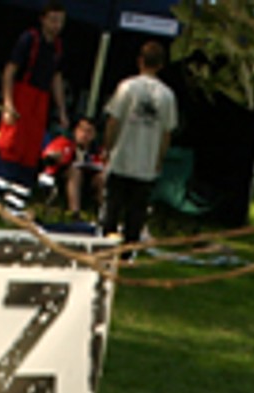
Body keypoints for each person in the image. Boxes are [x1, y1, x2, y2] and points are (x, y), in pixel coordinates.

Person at [0, 0, 67, 215]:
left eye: (60, 21)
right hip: (22, 95)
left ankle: (15, 205)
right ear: (43, 19)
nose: (56, 25)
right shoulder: (29, 39)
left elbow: (56, 79)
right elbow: (10, 71)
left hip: (41, 102)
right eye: (52, 20)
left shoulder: (57, 47)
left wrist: (61, 109)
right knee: (10, 146)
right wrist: (8, 103)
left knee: (31, 151)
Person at [98, 39, 176, 246]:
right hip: (147, 162)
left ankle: (106, 245)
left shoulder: (127, 87)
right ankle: (128, 250)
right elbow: (167, 133)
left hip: (122, 156)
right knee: (136, 211)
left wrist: (108, 148)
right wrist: (159, 158)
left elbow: (113, 120)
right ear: (161, 65)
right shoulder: (167, 96)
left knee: (113, 206)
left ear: (140, 61)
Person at [37, 114, 102, 218]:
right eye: (82, 130)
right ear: (75, 131)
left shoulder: (97, 151)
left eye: (89, 132)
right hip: (63, 179)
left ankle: (103, 214)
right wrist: (55, 157)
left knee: (102, 178)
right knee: (75, 172)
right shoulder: (64, 142)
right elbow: (48, 157)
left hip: (87, 182)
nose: (84, 135)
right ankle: (74, 213)